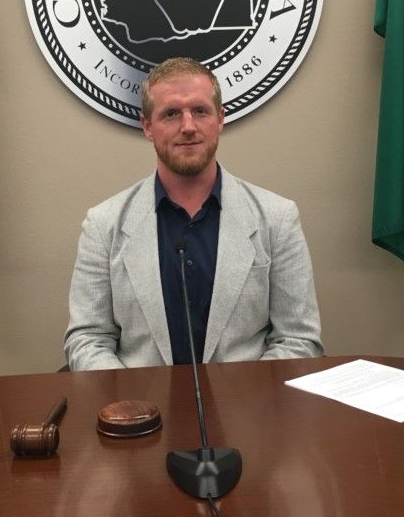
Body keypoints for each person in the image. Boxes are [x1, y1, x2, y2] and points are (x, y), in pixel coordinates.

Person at [64, 57, 323, 370]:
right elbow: (88, 338)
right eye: (171, 114)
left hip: (247, 411)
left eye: (200, 111)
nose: (188, 127)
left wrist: (242, 402)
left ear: (220, 119)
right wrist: (134, 409)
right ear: (147, 126)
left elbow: (299, 339)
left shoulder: (278, 218)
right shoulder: (103, 224)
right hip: (144, 412)